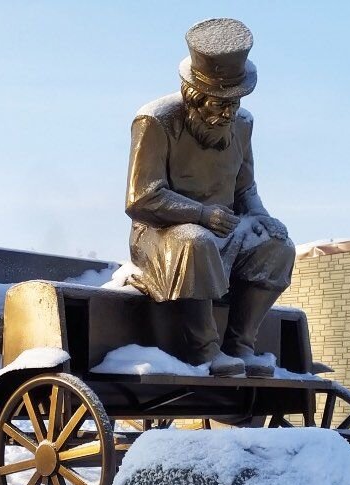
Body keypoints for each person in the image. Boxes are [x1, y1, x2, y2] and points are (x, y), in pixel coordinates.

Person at [124, 18, 296, 377]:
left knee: (278, 247)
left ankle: (240, 347)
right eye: (219, 104)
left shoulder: (242, 124)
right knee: (196, 241)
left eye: (234, 104)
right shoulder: (155, 121)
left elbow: (245, 188)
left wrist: (261, 216)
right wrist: (201, 214)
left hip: (223, 231)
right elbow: (141, 198)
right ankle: (205, 351)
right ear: (194, 97)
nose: (227, 113)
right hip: (160, 236)